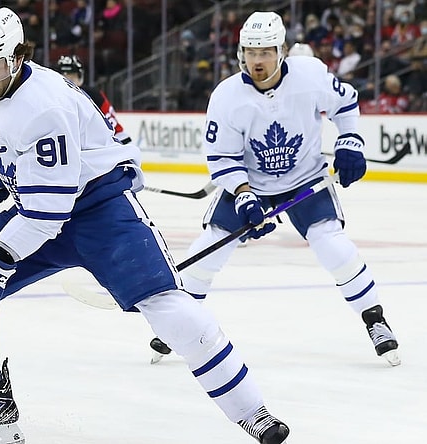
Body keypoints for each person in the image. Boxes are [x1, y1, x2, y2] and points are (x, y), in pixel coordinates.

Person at [0, 7, 290, 444]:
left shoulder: (44, 106)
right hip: (37, 206)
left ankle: (253, 412)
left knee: (168, 308)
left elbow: (47, 213)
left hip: (100, 210)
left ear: (18, 56)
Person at [149, 11, 400, 367]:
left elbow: (346, 102)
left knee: (331, 243)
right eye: (250, 52)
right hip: (251, 183)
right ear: (240, 53)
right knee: (210, 247)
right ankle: (177, 326)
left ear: (281, 51)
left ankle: (375, 320)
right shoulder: (227, 96)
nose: (257, 60)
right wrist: (244, 194)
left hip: (305, 179)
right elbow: (222, 157)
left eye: (265, 51)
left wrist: (350, 140)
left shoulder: (309, 75)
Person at [56, 54, 132, 144]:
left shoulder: (94, 95)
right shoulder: (50, 96)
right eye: (64, 76)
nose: (68, 80)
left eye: (72, 76)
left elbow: (117, 131)